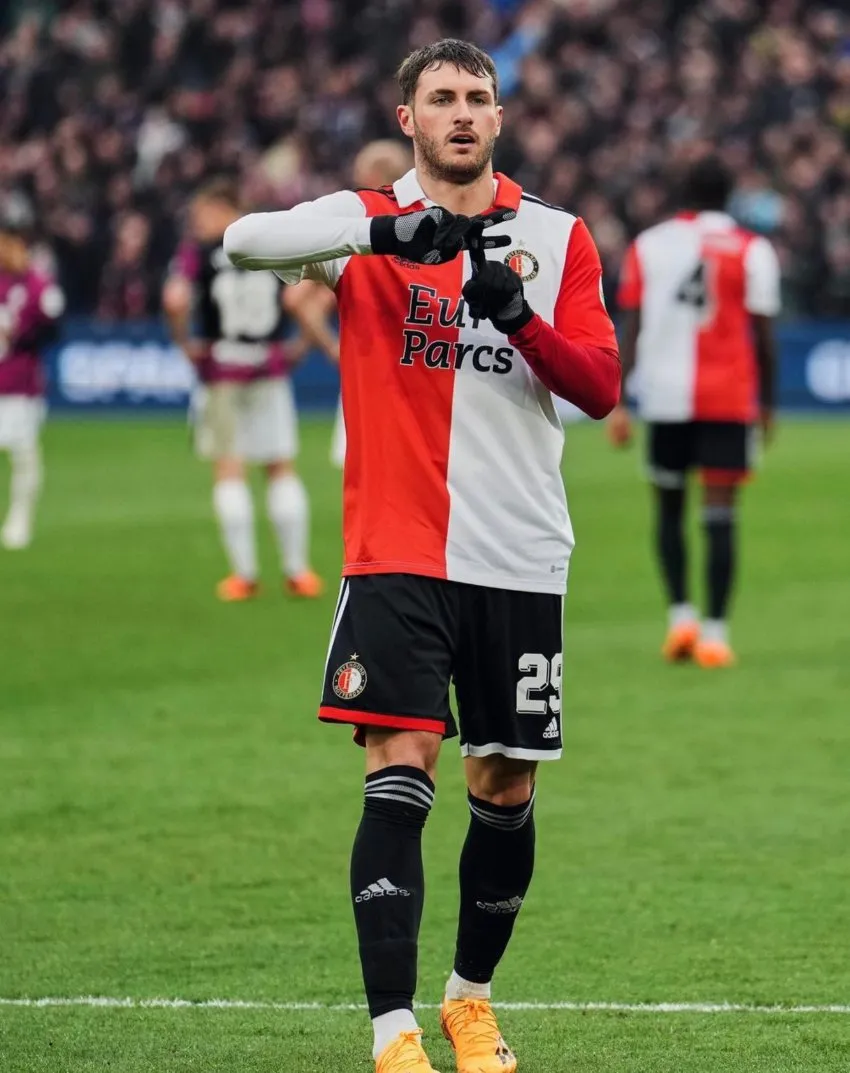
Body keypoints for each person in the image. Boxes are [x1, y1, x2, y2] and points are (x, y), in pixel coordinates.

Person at [224, 39, 619, 1073]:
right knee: (401, 765)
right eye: (439, 97)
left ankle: (468, 1000)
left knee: (504, 782)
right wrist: (383, 229)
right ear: (407, 117)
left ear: (499, 116)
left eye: (476, 98)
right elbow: (241, 240)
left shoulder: (556, 235)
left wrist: (520, 321)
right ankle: (390, 1026)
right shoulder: (361, 225)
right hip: (396, 548)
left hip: (520, 553)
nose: (460, 113)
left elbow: (599, 386)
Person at [608, 156, 780, 668]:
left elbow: (631, 326)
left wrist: (619, 399)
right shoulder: (753, 250)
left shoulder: (649, 245)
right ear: (731, 196)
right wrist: (767, 405)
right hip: (728, 399)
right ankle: (715, 633)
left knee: (667, 508)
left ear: (683, 193)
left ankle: (679, 618)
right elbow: (765, 338)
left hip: (663, 395)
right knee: (720, 515)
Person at [163, 178, 333, 601]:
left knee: (229, 468)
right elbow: (303, 298)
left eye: (204, 214)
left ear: (224, 210)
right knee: (279, 466)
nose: (198, 223)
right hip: (268, 367)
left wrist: (185, 343)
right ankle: (298, 571)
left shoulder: (198, 253)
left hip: (221, 369)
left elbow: (174, 300)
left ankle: (244, 574)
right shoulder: (267, 243)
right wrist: (301, 345)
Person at [321, 140, 413, 468]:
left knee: (371, 479)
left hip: (371, 369)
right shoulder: (430, 228)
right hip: (425, 372)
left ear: (374, 175)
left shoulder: (358, 236)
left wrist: (333, 347)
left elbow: (297, 299)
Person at [0, 207, 65, 550]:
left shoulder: (37, 283)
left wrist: (18, 338)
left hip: (19, 383)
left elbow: (53, 330)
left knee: (23, 453)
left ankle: (20, 519)